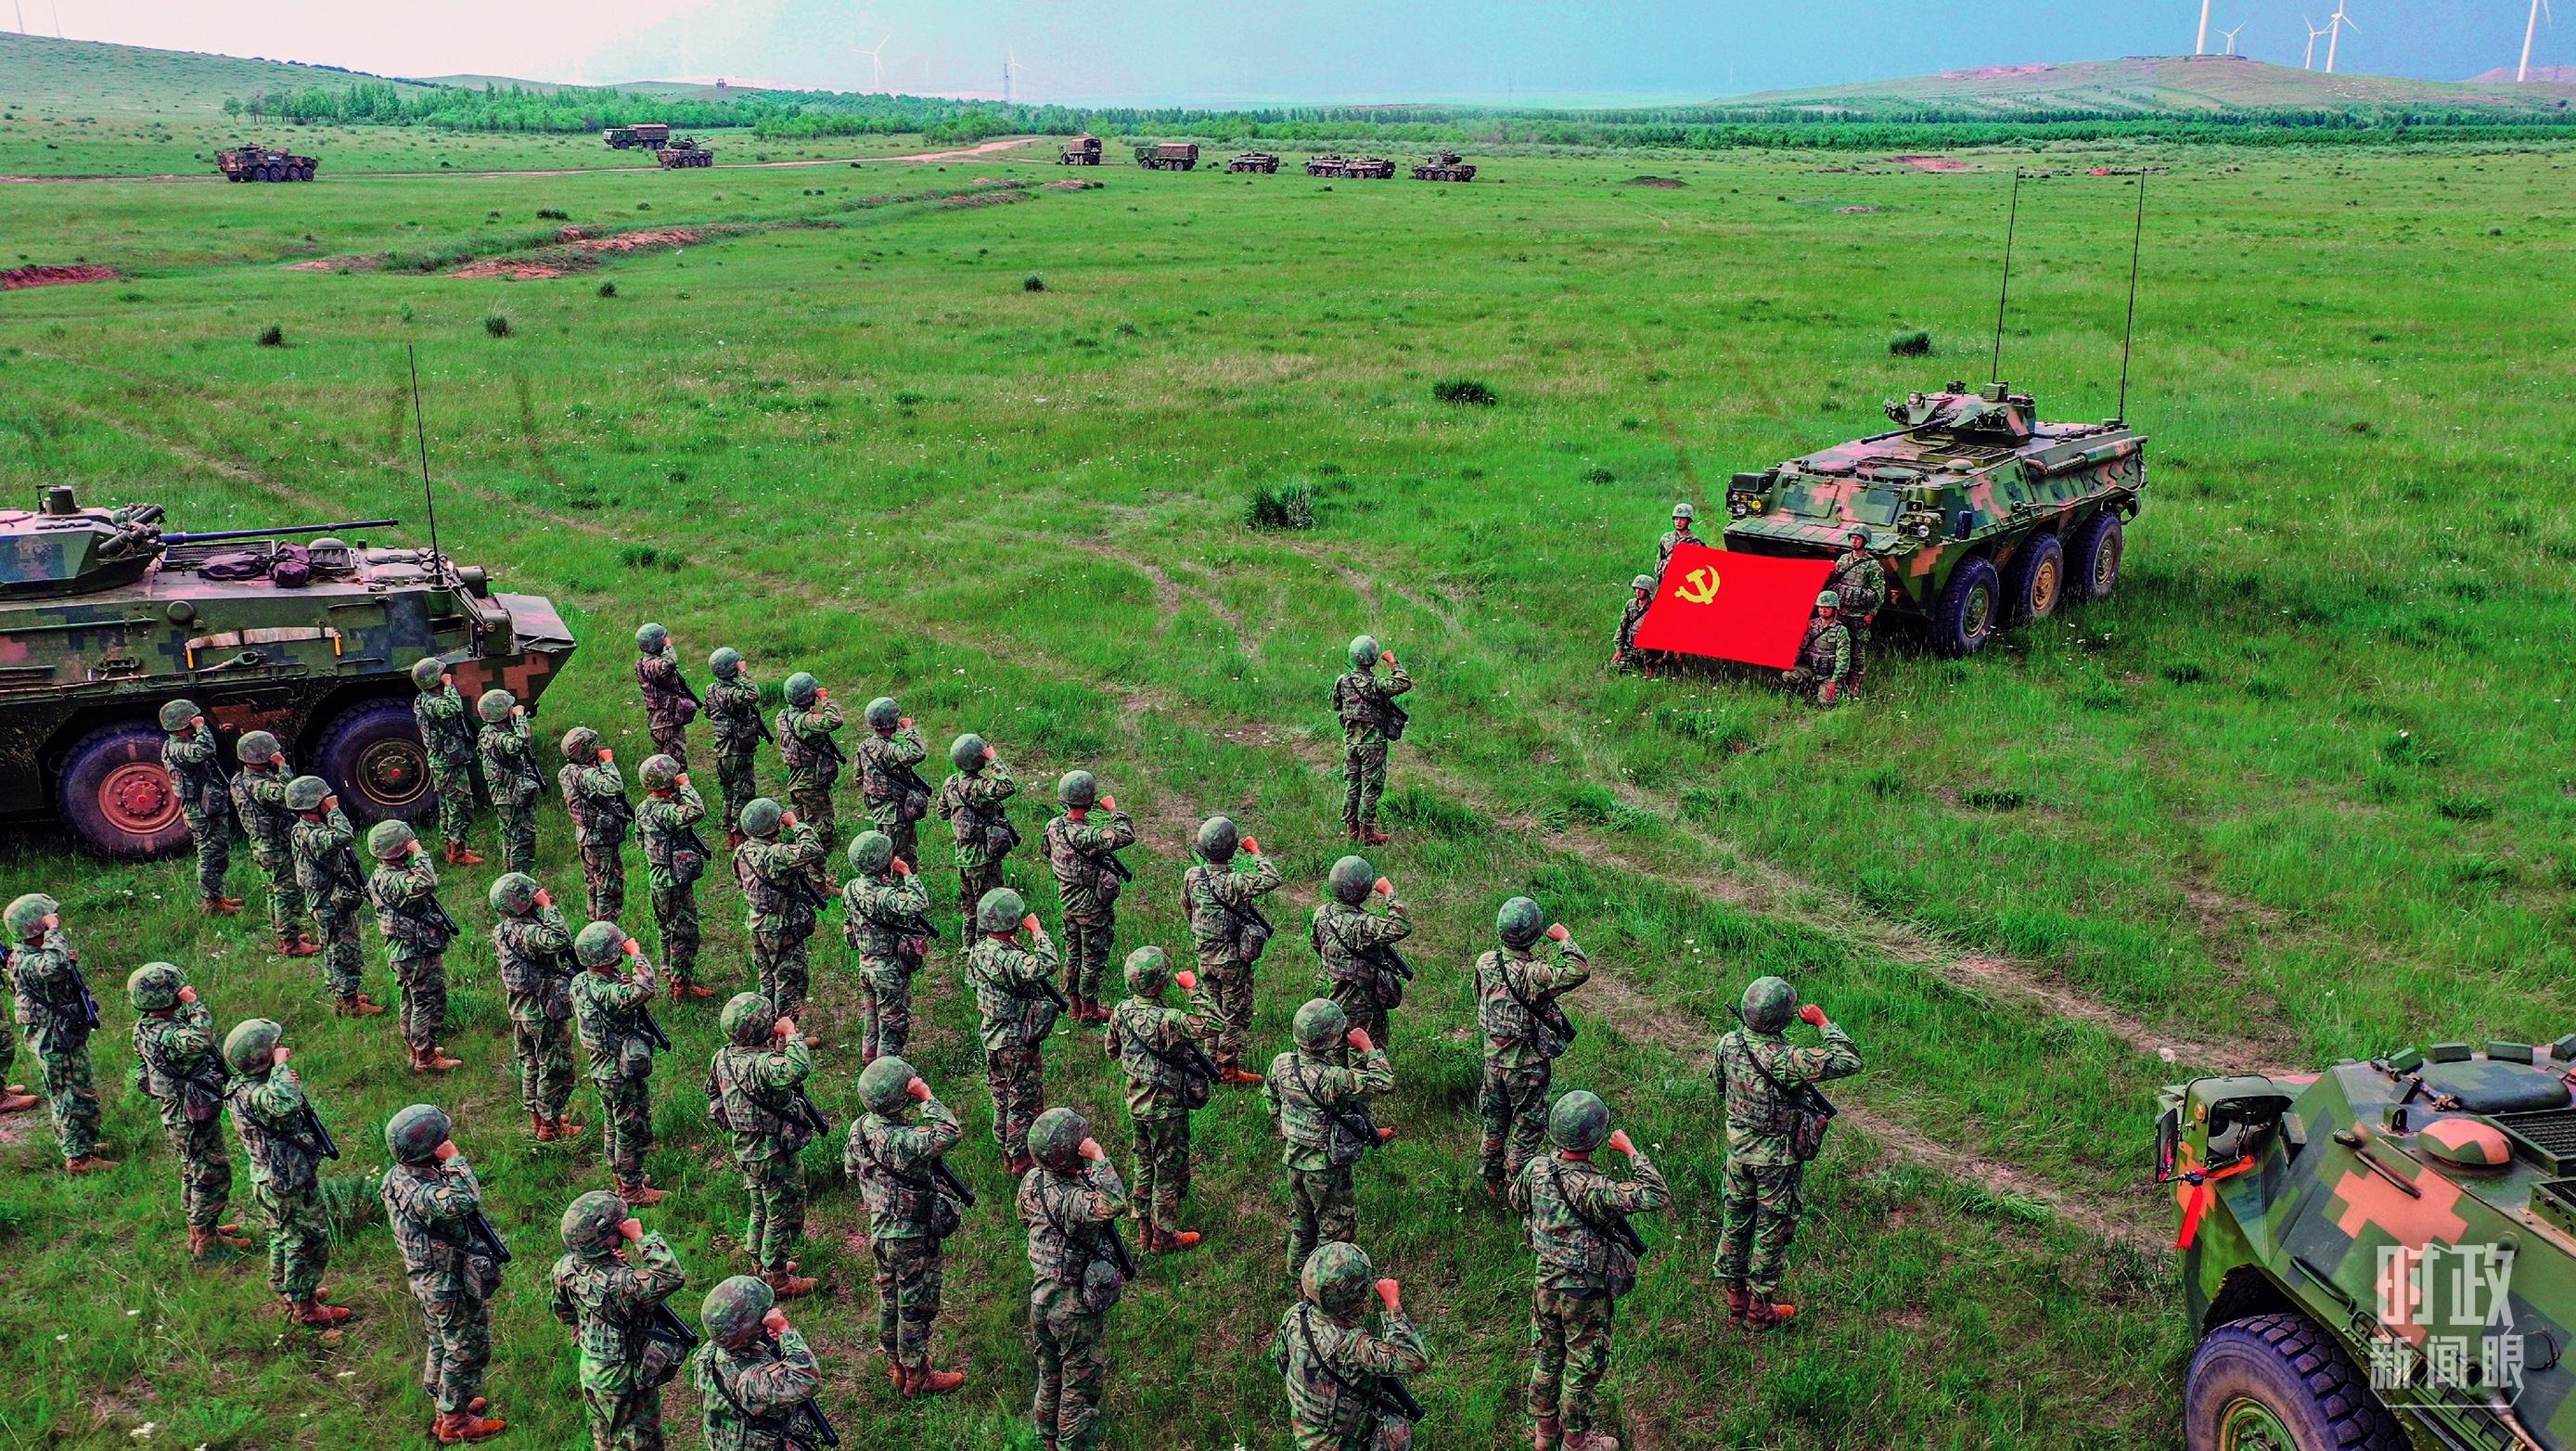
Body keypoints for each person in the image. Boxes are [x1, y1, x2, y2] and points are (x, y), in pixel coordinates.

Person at [1513, 1090, 1671, 1451]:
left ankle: (1544, 1433)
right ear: (1596, 1139)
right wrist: (1631, 1151)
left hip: (1545, 1279)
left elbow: (1517, 1200)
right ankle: (1577, 1441)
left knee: (1548, 1354)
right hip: (1583, 1290)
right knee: (1582, 1365)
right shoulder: (1595, 1188)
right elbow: (1656, 1195)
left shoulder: (1536, 1169)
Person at [1714, 977, 1862, 1329]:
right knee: (1771, 1231)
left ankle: (1735, 1300)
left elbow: (1720, 1088)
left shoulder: (1728, 1044)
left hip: (1738, 1154)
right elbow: (1850, 1060)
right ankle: (1759, 1312)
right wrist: (1822, 1022)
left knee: (1735, 1223)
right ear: (1783, 1018)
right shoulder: (1788, 1060)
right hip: (1777, 1162)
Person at [380, 1103, 507, 1444]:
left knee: (441, 1342)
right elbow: (465, 1200)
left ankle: (445, 1406)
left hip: (428, 1279)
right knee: (466, 1347)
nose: (448, 1140)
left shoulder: (399, 1176)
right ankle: (456, 1422)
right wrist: (454, 1159)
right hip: (445, 1282)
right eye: (442, 1139)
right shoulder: (424, 1193)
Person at [846, 1056, 968, 1397]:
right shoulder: (906, 1141)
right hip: (911, 1236)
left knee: (890, 1298)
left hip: (880, 1230)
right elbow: (950, 1131)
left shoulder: (860, 1129)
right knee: (916, 1305)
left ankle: (897, 1367)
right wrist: (927, 1097)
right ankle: (919, 1375)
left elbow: (851, 1170)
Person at [221, 1018, 352, 1329]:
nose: (283, 1049)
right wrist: (280, 1070)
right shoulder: (260, 1095)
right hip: (287, 1182)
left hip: (271, 1178)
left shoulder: (241, 1087)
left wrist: (279, 1075)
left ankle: (292, 1292)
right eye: (276, 1047)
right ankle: (306, 1308)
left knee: (282, 1236)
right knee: (305, 1241)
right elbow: (284, 1103)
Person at [1019, 1107, 1130, 1451]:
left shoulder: (1033, 1181)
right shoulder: (1074, 1201)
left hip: (1041, 1296)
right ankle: (1074, 1444)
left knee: (1049, 1370)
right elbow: (1115, 1202)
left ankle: (1047, 1437)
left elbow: (1024, 1218)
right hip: (1071, 1305)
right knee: (1079, 1381)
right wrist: (1099, 1159)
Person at [1263, 998, 1394, 1276]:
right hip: (1326, 1168)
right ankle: (1324, 1286)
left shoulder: (1281, 1063)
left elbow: (1270, 1097)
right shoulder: (1331, 1078)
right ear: (1333, 1038)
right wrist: (1368, 1047)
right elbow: (1384, 1082)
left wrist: (1286, 1127)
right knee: (1335, 1232)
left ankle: (1298, 1278)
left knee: (1303, 1226)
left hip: (1294, 1159)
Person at [550, 1189, 688, 1451]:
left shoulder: (564, 1268)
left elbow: (565, 1313)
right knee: (640, 1441)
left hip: (591, 1367)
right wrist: (640, 1238)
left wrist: (612, 1263)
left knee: (605, 1437)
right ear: (605, 1236)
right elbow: (671, 1276)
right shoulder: (621, 1283)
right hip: (622, 1377)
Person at [128, 961, 249, 1259]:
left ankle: (201, 1229)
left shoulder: (144, 1027)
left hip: (177, 1109)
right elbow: (201, 1039)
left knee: (193, 1169)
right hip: (191, 1111)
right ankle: (207, 1240)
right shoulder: (170, 1033)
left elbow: (143, 1069)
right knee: (211, 1173)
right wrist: (194, 1004)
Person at [1476, 898, 1592, 1198]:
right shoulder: (1534, 975)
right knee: (1527, 1127)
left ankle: (1491, 1181)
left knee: (1494, 1122)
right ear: (1535, 934)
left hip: (1493, 1062)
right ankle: (1518, 1187)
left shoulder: (1485, 963)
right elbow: (1579, 970)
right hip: (1525, 1067)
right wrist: (1565, 939)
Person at [708, 992, 818, 1300]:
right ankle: (778, 1277)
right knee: (783, 1210)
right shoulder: (760, 1065)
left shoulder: (723, 1058)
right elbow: (796, 1069)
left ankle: (761, 1264)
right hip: (773, 1151)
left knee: (760, 1207)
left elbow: (714, 1094)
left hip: (746, 1146)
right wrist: (792, 1034)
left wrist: (779, 1046)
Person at [1275, 1242, 1430, 1451]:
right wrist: (1393, 1305)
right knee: (1397, 1432)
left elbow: (1283, 1364)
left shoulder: (1296, 1315)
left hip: (1305, 1431)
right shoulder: (1351, 1346)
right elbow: (1414, 1358)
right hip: (1341, 1442)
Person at [1105, 945, 1207, 1253]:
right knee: (1167, 1169)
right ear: (1162, 983)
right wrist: (1193, 989)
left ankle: (1143, 1229)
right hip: (1166, 1108)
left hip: (1136, 1102)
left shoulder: (1121, 1012)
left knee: (1144, 1162)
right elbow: (1213, 1023)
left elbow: (1112, 1050)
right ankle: (1164, 1236)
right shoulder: (1171, 1020)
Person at [6, 892, 111, 1172]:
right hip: (55, 1038)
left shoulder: (29, 955)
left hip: (60, 1034)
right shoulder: (30, 961)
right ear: (36, 928)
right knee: (73, 1095)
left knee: (69, 1092)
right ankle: (79, 1158)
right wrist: (54, 932)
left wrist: (59, 951)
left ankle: (77, 1142)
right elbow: (53, 969)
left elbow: (56, 966)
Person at [570, 921, 668, 1207]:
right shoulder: (610, 993)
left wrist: (619, 980)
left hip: (600, 1066)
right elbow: (646, 986)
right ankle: (632, 1189)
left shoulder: (581, 983)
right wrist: (636, 954)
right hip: (619, 1071)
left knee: (612, 1124)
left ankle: (621, 1177)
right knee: (631, 1129)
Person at [968, 887, 1062, 1177]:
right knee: (1024, 1102)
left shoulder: (978, 951)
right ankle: (1022, 1162)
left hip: (992, 1035)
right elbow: (1048, 962)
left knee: (1001, 1098)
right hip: (1016, 1040)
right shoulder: (1012, 960)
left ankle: (1006, 1152)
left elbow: (973, 983)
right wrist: (1037, 932)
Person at [1183, 815, 1281, 1085]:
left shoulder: (1193, 876)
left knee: (1211, 1007)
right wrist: (1256, 852)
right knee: (1235, 1015)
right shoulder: (1235, 882)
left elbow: (1188, 909)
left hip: (1205, 955)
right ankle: (1228, 1069)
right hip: (1232, 960)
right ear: (1232, 849)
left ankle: (1209, 1058)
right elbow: (1272, 878)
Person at [491, 872, 584, 1143]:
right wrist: (548, 907)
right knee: (556, 1065)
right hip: (542, 1009)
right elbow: (559, 939)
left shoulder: (502, 930)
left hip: (521, 1007)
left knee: (531, 1063)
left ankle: (538, 1118)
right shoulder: (529, 932)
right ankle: (550, 1126)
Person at [366, 819, 463, 1073]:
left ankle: (416, 1050)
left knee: (410, 1000)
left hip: (401, 949)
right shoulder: (398, 880)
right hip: (415, 951)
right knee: (427, 1002)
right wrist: (419, 852)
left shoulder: (380, 875)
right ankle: (426, 1058)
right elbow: (428, 882)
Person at [1044, 770, 1134, 1023]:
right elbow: (1126, 834)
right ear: (1089, 799)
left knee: (1073, 953)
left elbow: (1047, 852)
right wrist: (1114, 809)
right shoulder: (1088, 836)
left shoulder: (1053, 826)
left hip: (1068, 901)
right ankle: (1090, 1010)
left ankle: (1075, 1006)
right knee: (1092, 958)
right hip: (1092, 907)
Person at [288, 775, 383, 1018]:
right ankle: (351, 1004)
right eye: (324, 799)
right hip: (330, 902)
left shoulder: (302, 829)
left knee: (331, 947)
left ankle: (343, 995)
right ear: (313, 804)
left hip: (322, 899)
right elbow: (344, 834)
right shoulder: (316, 836)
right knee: (344, 951)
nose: (330, 800)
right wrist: (334, 811)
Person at [692, 1276, 822, 1451]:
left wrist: (773, 1341)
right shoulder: (750, 1381)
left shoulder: (708, 1352)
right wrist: (784, 1331)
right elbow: (808, 1379)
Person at [734, 798, 826, 1034]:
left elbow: (740, 883)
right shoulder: (776, 854)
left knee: (767, 979)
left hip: (756, 922)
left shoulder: (742, 851)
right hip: (780, 926)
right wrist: (795, 824)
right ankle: (785, 1040)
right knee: (789, 981)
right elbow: (813, 849)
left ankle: (764, 1033)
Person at [841, 829, 931, 1064]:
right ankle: (885, 1072)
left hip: (866, 963)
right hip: (889, 969)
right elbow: (919, 903)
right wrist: (907, 873)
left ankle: (869, 1060)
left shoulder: (850, 888)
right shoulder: (884, 896)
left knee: (872, 1019)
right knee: (893, 1025)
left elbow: (850, 926)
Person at [229, 730, 319, 957]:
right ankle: (291, 944)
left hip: (261, 844)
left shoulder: (239, 780)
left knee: (273, 891)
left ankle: (284, 935)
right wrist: (282, 766)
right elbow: (286, 794)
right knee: (287, 892)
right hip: (275, 847)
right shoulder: (260, 785)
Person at [1312, 855, 1413, 1051]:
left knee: (1338, 1049)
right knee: (1367, 1052)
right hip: (1366, 1006)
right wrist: (1389, 892)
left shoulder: (1322, 914)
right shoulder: (1364, 925)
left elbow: (1317, 946)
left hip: (1337, 997)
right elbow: (1402, 925)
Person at [635, 755, 713, 1002]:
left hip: (658, 876)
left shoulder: (643, 808)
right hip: (673, 879)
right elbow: (697, 811)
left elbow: (640, 840)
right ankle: (681, 985)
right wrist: (686, 786)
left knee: (666, 930)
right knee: (684, 933)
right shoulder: (666, 812)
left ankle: (672, 977)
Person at [159, 700, 240, 916]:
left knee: (217, 852)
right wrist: (202, 727)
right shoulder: (178, 748)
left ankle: (216, 896)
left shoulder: (180, 743)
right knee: (209, 855)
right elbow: (206, 750)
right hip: (200, 811)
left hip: (205, 806)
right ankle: (212, 904)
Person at [1330, 636, 1412, 845]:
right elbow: (1404, 682)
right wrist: (1392, 661)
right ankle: (1367, 833)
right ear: (1373, 659)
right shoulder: (1376, 684)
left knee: (1352, 785)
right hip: (1373, 745)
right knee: (1370, 787)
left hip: (1351, 743)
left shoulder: (1343, 681)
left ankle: (1352, 831)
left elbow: (1336, 705)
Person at [936, 731, 1019, 923]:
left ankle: (968, 939)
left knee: (969, 908)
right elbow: (1008, 785)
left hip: (962, 854)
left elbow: (942, 812)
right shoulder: (979, 788)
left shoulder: (950, 784)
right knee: (989, 907)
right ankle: (985, 940)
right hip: (982, 857)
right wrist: (994, 759)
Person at [411, 658, 485, 867]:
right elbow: (453, 707)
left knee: (448, 805)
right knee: (460, 806)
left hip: (443, 761)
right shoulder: (433, 702)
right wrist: (449, 685)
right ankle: (458, 853)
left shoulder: (425, 699)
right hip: (448, 763)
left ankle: (452, 848)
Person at [774, 672, 844, 889]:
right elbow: (835, 720)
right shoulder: (805, 721)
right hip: (812, 784)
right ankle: (819, 886)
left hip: (797, 781)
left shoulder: (783, 716)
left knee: (803, 829)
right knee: (820, 832)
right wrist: (825, 699)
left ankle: (808, 877)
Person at [559, 726, 634, 924]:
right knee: (608, 887)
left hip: (585, 835)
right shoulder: (587, 775)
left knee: (592, 884)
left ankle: (593, 924)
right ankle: (606, 929)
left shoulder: (567, 772)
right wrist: (608, 762)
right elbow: (614, 786)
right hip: (600, 839)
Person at [855, 696, 932, 873]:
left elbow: (858, 777)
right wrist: (909, 730)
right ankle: (904, 887)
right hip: (897, 814)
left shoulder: (865, 746)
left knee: (883, 854)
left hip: (877, 810)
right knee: (903, 858)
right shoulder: (890, 749)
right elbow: (918, 752)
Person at [477, 688, 545, 877]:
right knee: (522, 840)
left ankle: (509, 877)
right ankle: (521, 882)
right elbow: (521, 744)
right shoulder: (503, 739)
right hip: (511, 796)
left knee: (509, 837)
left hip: (500, 794)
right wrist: (520, 718)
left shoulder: (486, 733)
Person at [702, 648, 764, 846]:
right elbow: (753, 694)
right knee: (743, 795)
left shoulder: (711, 690)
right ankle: (740, 839)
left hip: (722, 751)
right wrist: (744, 673)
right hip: (738, 751)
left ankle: (729, 835)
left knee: (728, 793)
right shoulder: (734, 694)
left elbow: (707, 712)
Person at [1827, 529, 1887, 697]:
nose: (1854, 541)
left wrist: (1871, 613)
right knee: (1836, 646)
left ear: (1865, 541)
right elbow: (1833, 580)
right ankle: (1835, 680)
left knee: (1857, 649)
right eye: (1852, 538)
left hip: (1859, 615)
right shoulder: (1843, 559)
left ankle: (1855, 684)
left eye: (1858, 538)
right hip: (1841, 612)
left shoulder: (1872, 565)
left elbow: (1879, 591)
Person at [634, 623, 698, 767]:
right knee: (675, 765)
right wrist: (668, 646)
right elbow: (670, 662)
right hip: (667, 721)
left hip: (658, 721)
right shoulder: (656, 665)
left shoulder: (642, 663)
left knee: (663, 762)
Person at [1783, 591, 1852, 707]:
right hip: (1809, 669)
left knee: (1826, 703)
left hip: (1828, 675)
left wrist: (1834, 681)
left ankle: (1821, 688)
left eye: (1827, 607)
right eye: (1821, 607)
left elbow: (1843, 659)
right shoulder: (1811, 625)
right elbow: (1800, 647)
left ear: (1834, 609)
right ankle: (1806, 691)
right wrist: (1792, 662)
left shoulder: (1841, 631)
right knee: (1788, 675)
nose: (1823, 610)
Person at [1609, 575, 1656, 676]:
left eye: (1641, 589)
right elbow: (1622, 628)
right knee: (1615, 668)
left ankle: (1648, 667)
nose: (1638, 591)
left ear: (1648, 591)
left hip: (1646, 651)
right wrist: (1619, 650)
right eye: (1636, 588)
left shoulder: (1655, 609)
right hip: (1630, 648)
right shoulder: (1630, 605)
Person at [1654, 501, 1697, 575]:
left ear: (1689, 521)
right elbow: (1659, 559)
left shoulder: (1695, 542)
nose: (1678, 522)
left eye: (1682, 519)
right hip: (1664, 578)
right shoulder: (1666, 538)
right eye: (1676, 519)